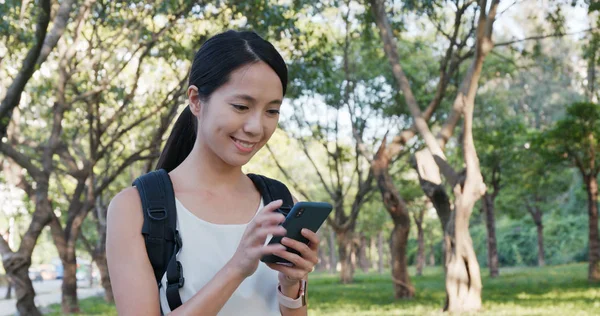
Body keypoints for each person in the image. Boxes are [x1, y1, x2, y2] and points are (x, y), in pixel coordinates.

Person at [106, 30, 319, 316]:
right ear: (195, 100)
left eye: (272, 111)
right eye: (241, 106)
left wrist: (292, 285)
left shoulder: (276, 200)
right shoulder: (134, 207)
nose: (257, 126)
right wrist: (236, 268)